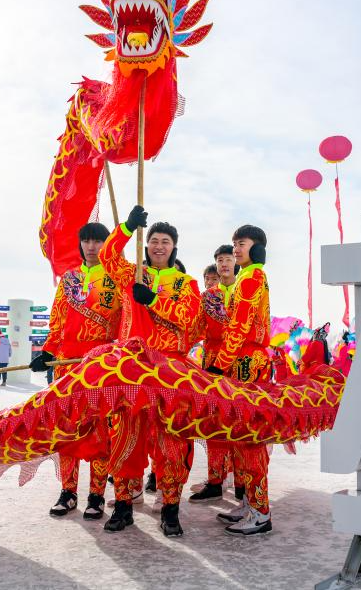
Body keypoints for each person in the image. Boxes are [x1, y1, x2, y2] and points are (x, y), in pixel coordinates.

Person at [99, 205, 202, 537]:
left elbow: (188, 319)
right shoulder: (131, 274)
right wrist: (127, 227)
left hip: (171, 372)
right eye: (154, 240)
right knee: (126, 438)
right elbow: (107, 255)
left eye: (166, 242)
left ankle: (170, 509)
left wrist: (153, 300)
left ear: (174, 248)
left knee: (172, 443)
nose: (159, 246)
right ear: (147, 245)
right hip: (131, 372)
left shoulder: (186, 283)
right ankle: (124, 506)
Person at [33, 222, 122, 521]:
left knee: (99, 431)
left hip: (100, 365)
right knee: (66, 428)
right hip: (66, 364)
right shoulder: (69, 279)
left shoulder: (115, 279)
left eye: (98, 241)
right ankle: (68, 491)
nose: (92, 246)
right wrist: (47, 350)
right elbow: (57, 318)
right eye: (86, 240)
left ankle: (96, 495)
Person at [207, 224, 273, 536]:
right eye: (234, 243)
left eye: (242, 243)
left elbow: (239, 326)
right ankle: (249, 502)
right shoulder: (245, 278)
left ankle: (260, 512)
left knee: (249, 440)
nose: (235, 249)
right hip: (241, 362)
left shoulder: (252, 278)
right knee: (239, 437)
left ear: (257, 247)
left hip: (246, 363)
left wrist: (219, 365)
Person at [189, 245, 244, 504]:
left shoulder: (247, 290)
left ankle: (244, 483)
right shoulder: (208, 296)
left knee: (241, 423)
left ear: (236, 262)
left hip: (240, 366)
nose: (223, 264)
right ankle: (215, 481)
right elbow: (196, 328)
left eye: (228, 259)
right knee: (214, 424)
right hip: (211, 366)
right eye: (219, 259)